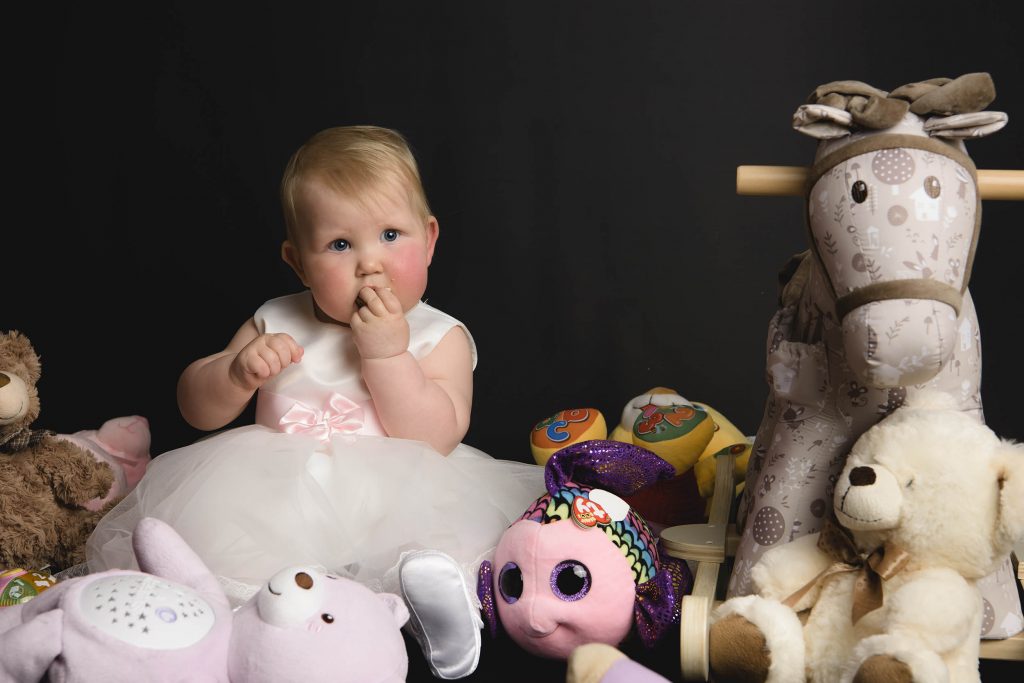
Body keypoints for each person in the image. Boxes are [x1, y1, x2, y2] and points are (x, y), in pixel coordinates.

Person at [86, 125, 545, 679]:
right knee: (243, 567)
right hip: (277, 500)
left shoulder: (437, 335)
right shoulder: (276, 318)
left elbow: (436, 436)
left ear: (430, 239)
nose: (369, 263)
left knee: (434, 553)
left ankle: (435, 614)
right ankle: (259, 640)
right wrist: (235, 373)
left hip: (398, 499)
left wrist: (387, 356)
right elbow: (195, 410)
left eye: (391, 235)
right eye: (340, 244)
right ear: (298, 262)